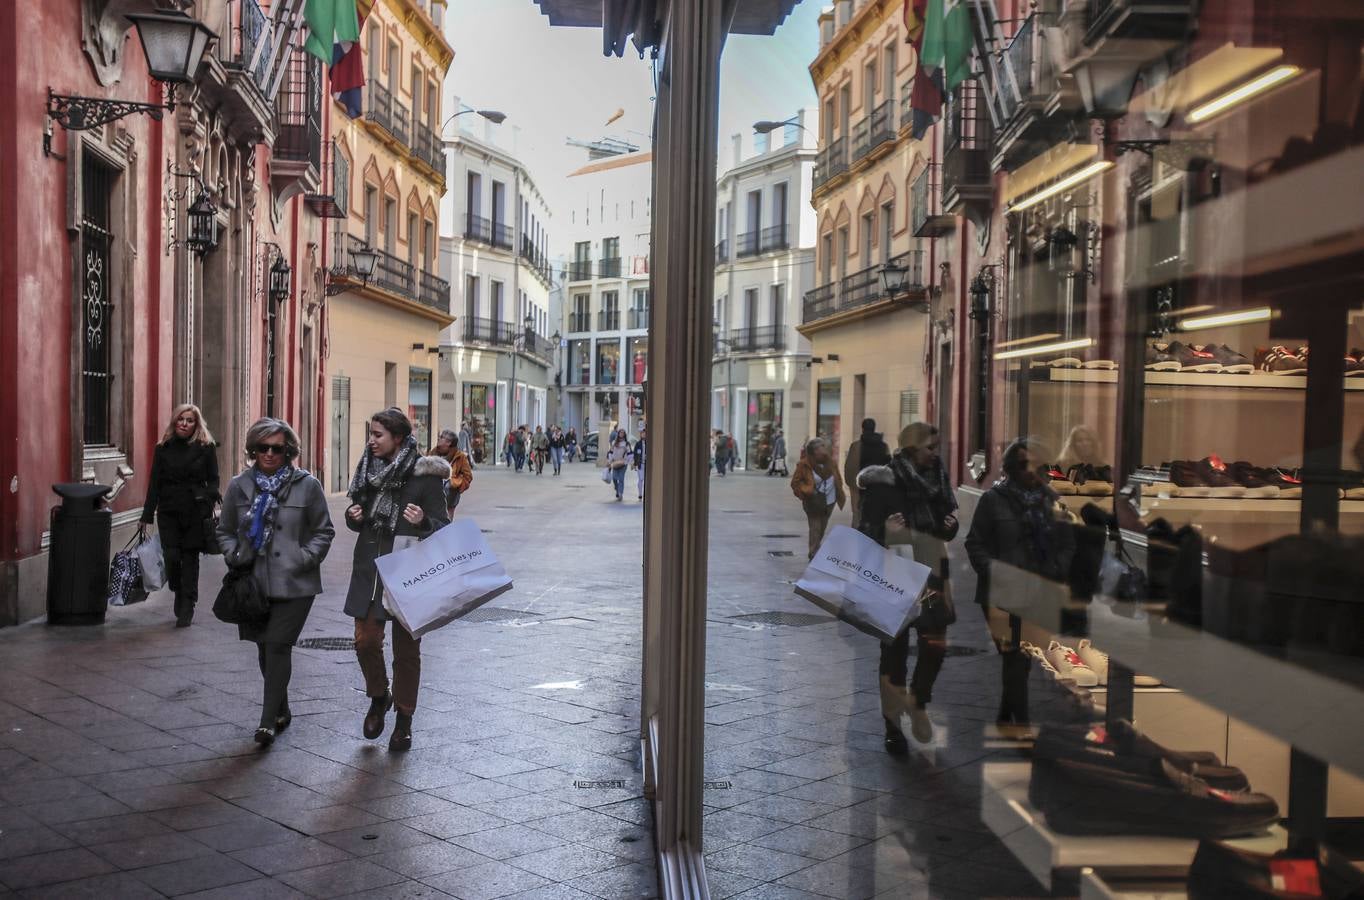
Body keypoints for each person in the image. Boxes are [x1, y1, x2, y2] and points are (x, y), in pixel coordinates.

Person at [218, 418, 334, 746]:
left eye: (277, 448)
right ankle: (281, 708)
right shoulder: (239, 486)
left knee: (277, 645)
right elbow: (224, 530)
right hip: (253, 583)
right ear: (253, 450)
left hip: (296, 584)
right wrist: (234, 553)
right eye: (262, 448)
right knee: (264, 650)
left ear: (289, 451)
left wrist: (304, 558)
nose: (269, 454)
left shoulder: (307, 485)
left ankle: (267, 721)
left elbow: (324, 530)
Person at [344, 408, 451, 752]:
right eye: (371, 434)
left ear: (399, 439)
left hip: (409, 572)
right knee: (365, 642)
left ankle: (404, 720)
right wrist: (353, 516)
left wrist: (422, 522)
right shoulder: (368, 471)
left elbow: (442, 527)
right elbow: (360, 515)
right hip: (372, 569)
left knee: (407, 651)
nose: (371, 441)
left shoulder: (426, 477)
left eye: (378, 435)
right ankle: (378, 695)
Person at [857, 423, 958, 751]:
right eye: (930, 447)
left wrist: (950, 527)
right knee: (894, 650)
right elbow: (864, 532)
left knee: (934, 645)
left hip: (931, 573)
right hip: (895, 574)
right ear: (912, 447)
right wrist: (884, 530)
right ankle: (893, 723)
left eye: (936, 446)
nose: (935, 453)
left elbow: (946, 526)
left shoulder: (938, 480)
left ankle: (919, 701)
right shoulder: (884, 483)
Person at [965, 438, 1076, 731]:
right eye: (1024, 464)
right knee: (1012, 656)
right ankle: (1021, 724)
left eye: (1037, 465)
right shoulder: (993, 499)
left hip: (1038, 592)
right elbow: (975, 543)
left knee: (1021, 658)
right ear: (1012, 466)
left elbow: (1067, 543)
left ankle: (1006, 713)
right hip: (1001, 593)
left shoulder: (1052, 500)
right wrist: (994, 570)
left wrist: (1056, 570)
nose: (1031, 470)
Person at [140, 403, 221, 627]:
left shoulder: (206, 447)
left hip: (195, 510)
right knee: (172, 556)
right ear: (174, 422)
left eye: (190, 420)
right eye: (181, 419)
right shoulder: (163, 447)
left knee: (190, 558)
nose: (184, 424)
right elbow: (154, 482)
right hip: (168, 510)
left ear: (196, 424)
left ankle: (188, 603)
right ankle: (177, 589)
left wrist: (207, 498)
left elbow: (214, 479)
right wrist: (147, 515)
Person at [791, 437, 846, 559]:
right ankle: (813, 553)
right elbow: (795, 483)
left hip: (830, 500)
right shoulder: (804, 464)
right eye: (822, 446)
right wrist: (806, 492)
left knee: (822, 527)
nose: (825, 448)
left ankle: (816, 548)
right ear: (815, 450)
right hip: (813, 501)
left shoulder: (830, 462)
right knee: (815, 527)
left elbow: (837, 477)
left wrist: (839, 489)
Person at [845, 418, 891, 529]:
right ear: (874, 428)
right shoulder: (884, 446)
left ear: (863, 428)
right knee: (877, 513)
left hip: (858, 484)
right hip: (878, 485)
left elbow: (850, 466)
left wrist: (851, 484)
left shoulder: (856, 446)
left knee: (857, 514)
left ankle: (857, 539)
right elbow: (889, 466)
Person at [431, 429, 473, 517]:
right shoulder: (434, 452)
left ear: (449, 442)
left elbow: (468, 476)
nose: (439, 438)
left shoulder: (460, 456)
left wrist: (456, 485)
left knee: (447, 519)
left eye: (442, 437)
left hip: (451, 493)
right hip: (434, 490)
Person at [605, 431, 631, 501]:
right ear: (618, 434)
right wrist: (609, 461)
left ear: (624, 435)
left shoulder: (627, 444)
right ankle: (617, 489)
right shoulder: (614, 443)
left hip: (623, 463)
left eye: (623, 433)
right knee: (614, 478)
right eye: (620, 433)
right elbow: (610, 452)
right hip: (615, 463)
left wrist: (630, 462)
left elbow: (630, 453)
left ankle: (620, 494)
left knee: (621, 478)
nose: (621, 434)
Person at [632, 426, 647, 501]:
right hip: (640, 464)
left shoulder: (649, 443)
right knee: (641, 479)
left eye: (645, 433)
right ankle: (640, 494)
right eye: (642, 433)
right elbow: (635, 454)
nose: (644, 435)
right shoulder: (638, 444)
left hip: (647, 465)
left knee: (646, 480)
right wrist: (635, 464)